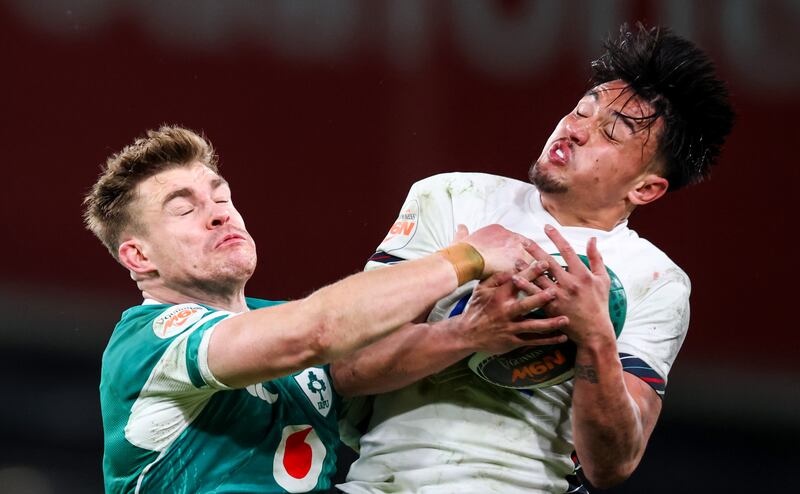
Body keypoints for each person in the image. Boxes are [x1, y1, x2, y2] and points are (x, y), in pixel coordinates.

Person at [333, 23, 735, 493]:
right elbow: (347, 370)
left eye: (611, 132)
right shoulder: (451, 197)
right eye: (581, 111)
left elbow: (612, 466)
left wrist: (595, 340)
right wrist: (465, 326)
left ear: (645, 188)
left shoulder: (656, 280)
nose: (577, 130)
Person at [83, 126, 571, 493]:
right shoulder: (152, 342)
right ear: (138, 257)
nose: (220, 212)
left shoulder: (270, 323)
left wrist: (470, 331)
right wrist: (464, 258)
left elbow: (358, 363)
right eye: (184, 209)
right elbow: (316, 331)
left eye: (222, 196)